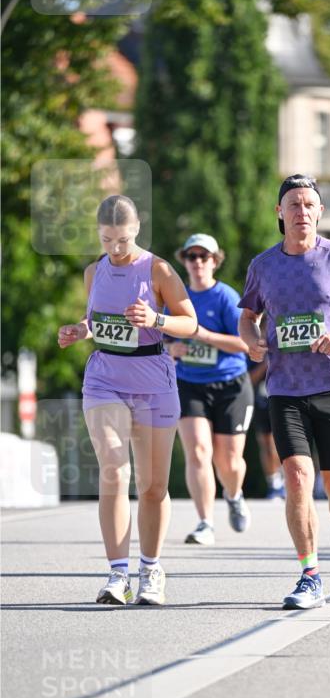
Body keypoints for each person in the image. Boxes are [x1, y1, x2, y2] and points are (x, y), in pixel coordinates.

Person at [238, 175, 330, 610]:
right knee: (298, 479)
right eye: (293, 205)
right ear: (279, 213)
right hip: (284, 388)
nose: (301, 212)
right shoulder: (263, 265)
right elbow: (248, 315)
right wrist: (250, 339)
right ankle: (309, 575)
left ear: (319, 212)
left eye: (308, 205)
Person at [57, 194, 197, 605]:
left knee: (153, 485)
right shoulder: (93, 271)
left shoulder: (158, 270)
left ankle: (151, 568)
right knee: (114, 471)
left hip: (153, 380)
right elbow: (95, 320)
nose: (115, 249)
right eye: (106, 240)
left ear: (136, 230)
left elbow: (189, 323)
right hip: (105, 380)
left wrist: (156, 319)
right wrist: (80, 331)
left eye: (121, 240)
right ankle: (117, 574)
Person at [167, 233, 253, 545]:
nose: (198, 262)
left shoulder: (226, 298)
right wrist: (171, 349)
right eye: (192, 256)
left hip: (231, 384)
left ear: (215, 261)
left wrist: (203, 335)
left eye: (205, 257)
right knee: (199, 451)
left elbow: (245, 344)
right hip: (190, 384)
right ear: (185, 261)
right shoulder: (177, 300)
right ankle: (205, 522)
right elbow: (159, 336)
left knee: (228, 462)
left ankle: (234, 493)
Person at [248, 358, 285, 500]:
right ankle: (274, 484)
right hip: (262, 401)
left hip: (287, 397)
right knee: (268, 445)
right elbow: (249, 379)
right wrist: (266, 363)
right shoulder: (255, 345)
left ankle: (288, 478)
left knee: (288, 443)